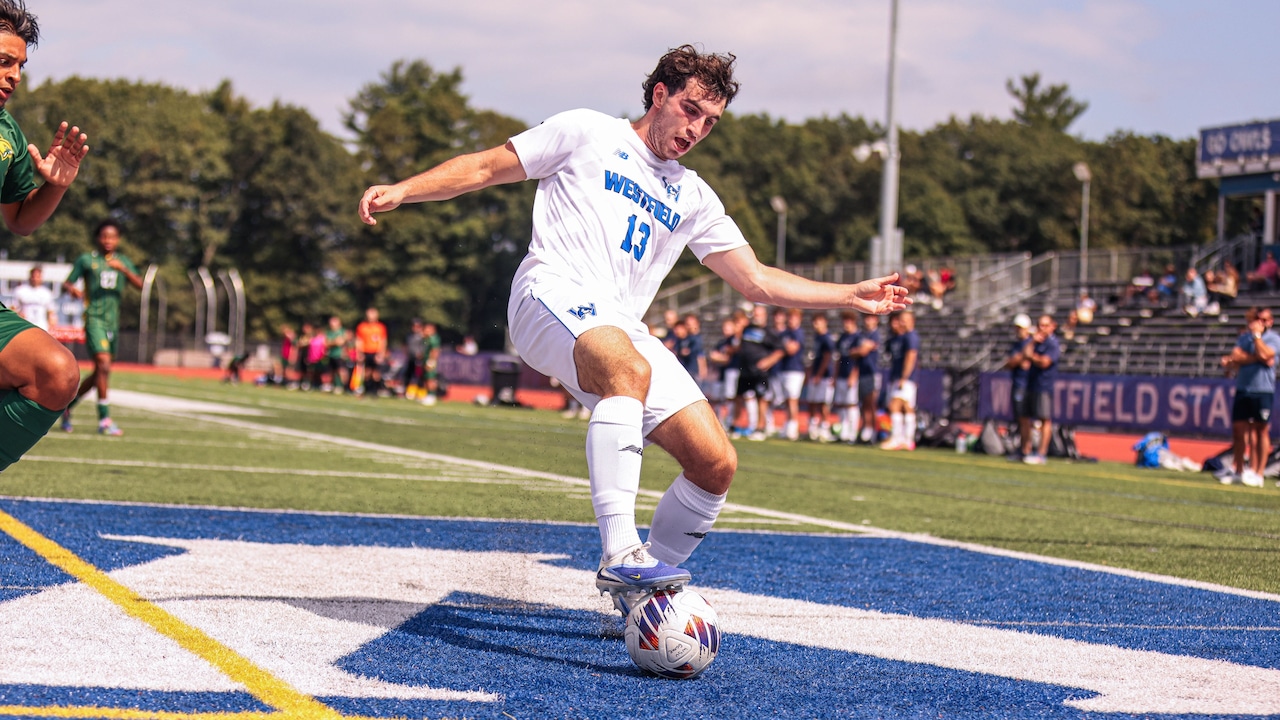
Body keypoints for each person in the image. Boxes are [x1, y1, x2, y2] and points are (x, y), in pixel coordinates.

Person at [358, 44, 909, 615]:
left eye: (712, 121)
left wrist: (848, 296)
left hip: (619, 328)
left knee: (715, 462)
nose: (697, 128)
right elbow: (483, 166)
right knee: (628, 368)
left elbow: (755, 280)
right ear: (660, 94)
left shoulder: (693, 195)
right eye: (691, 110)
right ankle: (621, 553)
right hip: (549, 292)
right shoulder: (586, 131)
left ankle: (642, 598)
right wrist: (405, 189)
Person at [0, 0, 91, 471]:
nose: (14, 76)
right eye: (3, 61)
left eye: (20, 65)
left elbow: (21, 220)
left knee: (56, 373)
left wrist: (55, 184)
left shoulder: (8, 134)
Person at [60, 220, 143, 436]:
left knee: (100, 372)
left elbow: (140, 284)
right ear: (98, 238)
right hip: (94, 319)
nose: (108, 240)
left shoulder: (122, 261)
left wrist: (123, 269)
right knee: (104, 365)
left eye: (113, 236)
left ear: (118, 239)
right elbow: (67, 282)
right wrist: (73, 290)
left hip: (113, 322)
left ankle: (67, 407)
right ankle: (104, 419)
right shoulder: (87, 260)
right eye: (104, 236)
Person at [1219, 307, 1280, 487]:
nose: (1260, 323)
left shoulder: (1273, 339)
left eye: (1264, 319)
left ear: (1270, 321)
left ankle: (1258, 472)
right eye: (1258, 319)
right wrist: (1256, 357)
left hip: (1263, 390)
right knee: (1239, 431)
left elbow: (1267, 355)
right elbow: (1236, 357)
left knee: (1261, 430)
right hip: (1243, 388)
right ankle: (1238, 469)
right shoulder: (1244, 337)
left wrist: (1257, 339)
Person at [1019, 314, 1060, 465]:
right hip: (1031, 383)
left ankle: (1041, 454)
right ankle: (1025, 450)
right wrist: (1031, 344)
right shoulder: (1036, 342)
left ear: (1052, 326)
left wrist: (1032, 357)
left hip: (1044, 385)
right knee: (1025, 418)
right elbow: (1024, 354)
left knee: (1044, 419)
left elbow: (1044, 362)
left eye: (1045, 325)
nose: (1041, 328)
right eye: (1039, 325)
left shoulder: (1052, 344)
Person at [881, 310, 919, 450]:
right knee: (905, 407)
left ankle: (898, 438)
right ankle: (907, 440)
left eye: (904, 319)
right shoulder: (900, 337)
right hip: (898, 376)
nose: (901, 322)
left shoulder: (911, 337)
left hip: (904, 378)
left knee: (895, 406)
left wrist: (904, 377)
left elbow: (911, 357)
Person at [1003, 313, 1034, 460]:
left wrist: (1019, 359)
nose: (1018, 331)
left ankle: (1027, 449)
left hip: (1027, 385)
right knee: (1021, 420)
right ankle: (1023, 449)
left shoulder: (1030, 343)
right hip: (1018, 383)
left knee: (1025, 420)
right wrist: (1020, 358)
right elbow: (1009, 363)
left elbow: (1027, 362)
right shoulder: (1017, 345)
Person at [804, 313, 837, 442]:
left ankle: (824, 428)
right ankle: (813, 429)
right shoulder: (816, 338)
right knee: (812, 402)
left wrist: (818, 375)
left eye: (818, 321)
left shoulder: (826, 338)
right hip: (815, 375)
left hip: (824, 376)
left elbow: (827, 358)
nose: (815, 324)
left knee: (823, 403)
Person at [776, 308, 807, 440]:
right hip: (785, 369)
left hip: (795, 370)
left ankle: (793, 427)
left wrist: (783, 347)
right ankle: (788, 424)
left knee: (792, 399)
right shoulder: (786, 333)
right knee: (787, 400)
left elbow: (792, 349)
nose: (791, 320)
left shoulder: (798, 333)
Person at [854, 313, 882, 443]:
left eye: (871, 318)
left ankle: (873, 431)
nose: (868, 321)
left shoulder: (876, 335)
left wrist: (859, 350)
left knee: (871, 403)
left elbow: (862, 351)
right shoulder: (862, 335)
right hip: (862, 373)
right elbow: (853, 352)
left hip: (872, 373)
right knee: (863, 404)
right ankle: (865, 429)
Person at [353, 307, 388, 397]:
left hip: (376, 352)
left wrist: (381, 354)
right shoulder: (362, 327)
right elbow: (359, 340)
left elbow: (383, 341)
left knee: (376, 373)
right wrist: (359, 353)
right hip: (366, 351)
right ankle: (367, 389)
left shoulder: (380, 327)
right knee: (367, 372)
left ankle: (374, 391)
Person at [11, 264, 55, 330]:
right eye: (33, 276)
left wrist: (51, 325)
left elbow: (51, 312)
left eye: (38, 277)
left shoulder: (46, 293)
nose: (35, 279)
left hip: (41, 327)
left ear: (41, 277)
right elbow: (13, 308)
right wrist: (18, 315)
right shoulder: (20, 291)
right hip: (24, 326)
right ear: (30, 277)